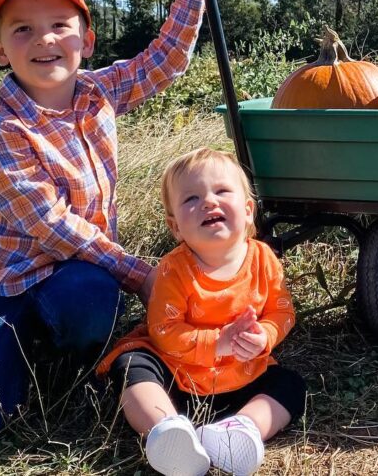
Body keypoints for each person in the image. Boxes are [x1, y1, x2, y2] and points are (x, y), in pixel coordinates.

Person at [0, 0, 213, 445]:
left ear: (87, 39)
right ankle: (3, 342)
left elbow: (166, 60)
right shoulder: (4, 132)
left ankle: (63, 351)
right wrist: (144, 276)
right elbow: (55, 227)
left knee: (91, 294)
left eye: (60, 24)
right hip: (4, 285)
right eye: (22, 30)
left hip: (76, 276)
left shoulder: (98, 92)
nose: (44, 40)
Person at [97, 147, 306, 476]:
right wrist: (216, 341)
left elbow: (283, 311)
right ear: (176, 227)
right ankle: (165, 431)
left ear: (249, 210)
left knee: (289, 385)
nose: (209, 202)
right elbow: (163, 330)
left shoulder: (263, 259)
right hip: (176, 375)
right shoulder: (173, 270)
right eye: (191, 199)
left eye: (222, 191)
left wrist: (264, 335)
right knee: (131, 366)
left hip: (241, 372)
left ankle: (242, 431)